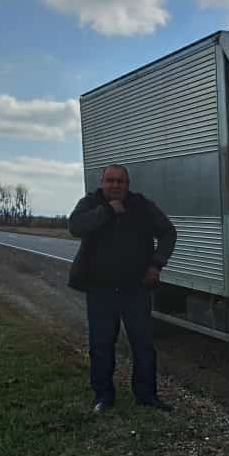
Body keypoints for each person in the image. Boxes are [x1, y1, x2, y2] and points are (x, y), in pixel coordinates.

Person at [68, 164, 177, 413]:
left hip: (135, 289)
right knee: (101, 345)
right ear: (102, 182)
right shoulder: (91, 203)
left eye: (120, 182)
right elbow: (74, 227)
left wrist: (156, 265)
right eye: (111, 181)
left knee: (143, 344)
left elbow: (169, 233)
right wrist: (106, 210)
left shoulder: (141, 205)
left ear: (127, 184)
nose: (115, 185)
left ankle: (147, 396)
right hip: (100, 290)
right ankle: (104, 397)